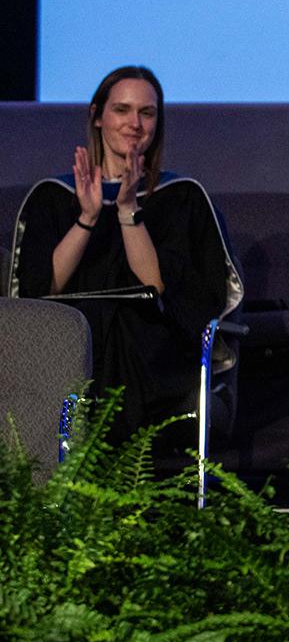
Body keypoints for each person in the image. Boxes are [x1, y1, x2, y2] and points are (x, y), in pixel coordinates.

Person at [10, 66, 243, 459]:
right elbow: (42, 292)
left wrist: (127, 210)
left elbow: (157, 286)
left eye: (147, 113)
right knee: (88, 327)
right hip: (71, 353)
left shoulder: (183, 197)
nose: (134, 124)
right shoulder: (52, 197)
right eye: (122, 110)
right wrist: (86, 218)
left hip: (154, 356)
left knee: (121, 321)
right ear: (98, 116)